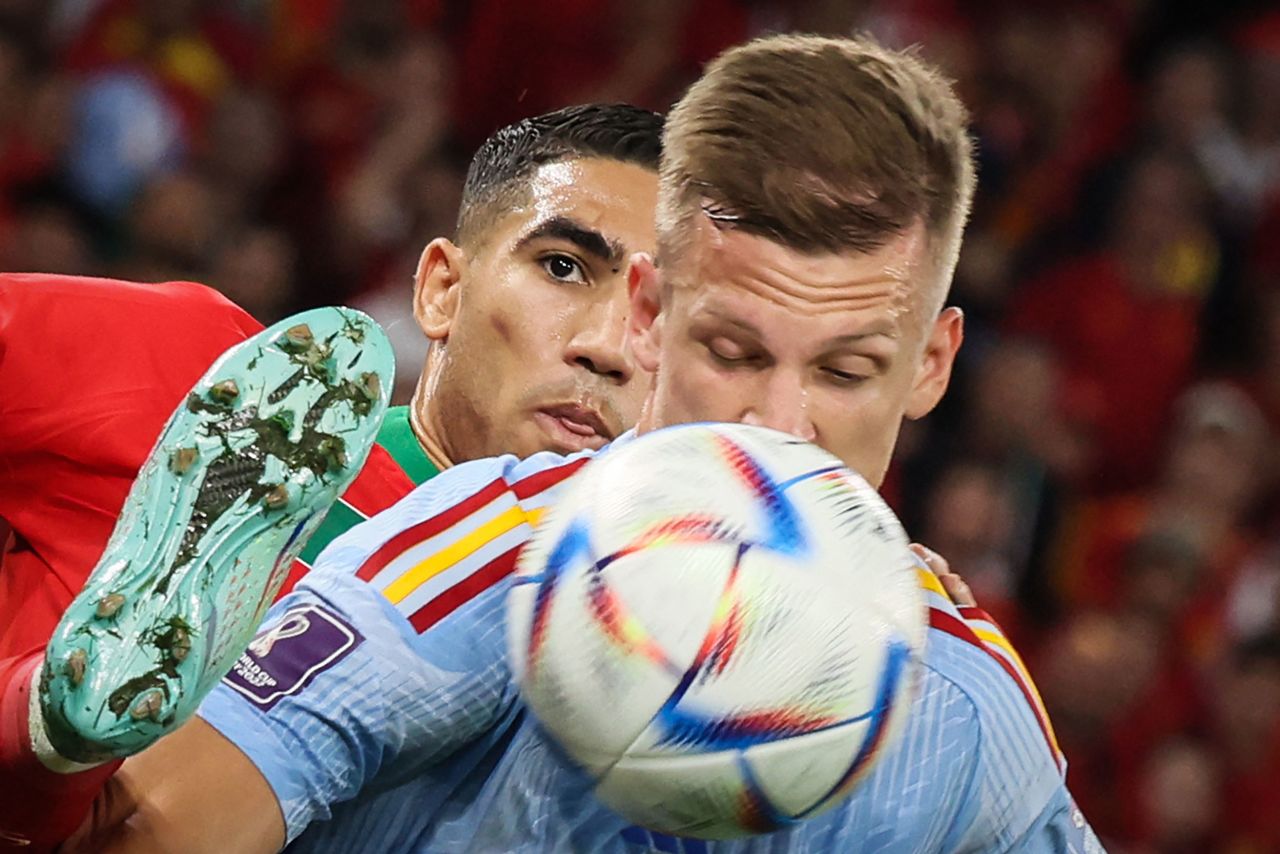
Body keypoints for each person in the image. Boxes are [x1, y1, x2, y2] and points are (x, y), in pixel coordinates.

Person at [77, 33, 1095, 851]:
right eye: (734, 350)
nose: (778, 429)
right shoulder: (471, 562)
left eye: (842, 370)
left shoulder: (963, 710)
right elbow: (158, 832)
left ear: (930, 364)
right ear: (649, 316)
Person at [0, 103, 663, 849]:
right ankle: (49, 719)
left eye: (660, 311)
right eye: (563, 268)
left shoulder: (627, 653)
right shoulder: (227, 387)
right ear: (441, 289)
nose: (609, 348)